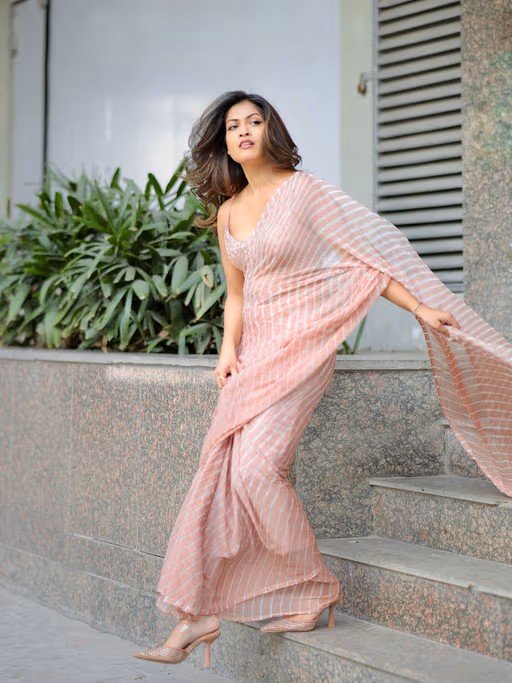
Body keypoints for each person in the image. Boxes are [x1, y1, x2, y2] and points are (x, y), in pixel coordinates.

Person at [135, 88, 512, 669]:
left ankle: (310, 588)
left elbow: (369, 258)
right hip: (254, 357)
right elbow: (237, 294)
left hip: (304, 348)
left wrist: (420, 307)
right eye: (233, 125)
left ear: (271, 131)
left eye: (253, 121)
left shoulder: (305, 192)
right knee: (222, 474)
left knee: (255, 470)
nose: (243, 131)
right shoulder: (229, 212)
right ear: (224, 143)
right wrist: (227, 351)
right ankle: (199, 612)